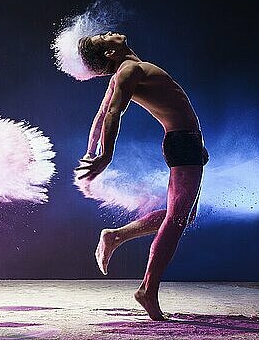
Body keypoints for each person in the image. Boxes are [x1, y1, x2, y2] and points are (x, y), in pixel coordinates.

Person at [74, 32, 209, 321]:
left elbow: (99, 117)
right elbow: (111, 114)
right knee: (177, 221)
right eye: (104, 37)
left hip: (187, 142)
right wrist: (104, 156)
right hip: (182, 143)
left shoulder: (128, 70)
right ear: (110, 53)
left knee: (183, 215)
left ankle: (115, 236)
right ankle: (147, 289)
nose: (110, 33)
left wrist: (90, 152)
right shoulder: (129, 70)